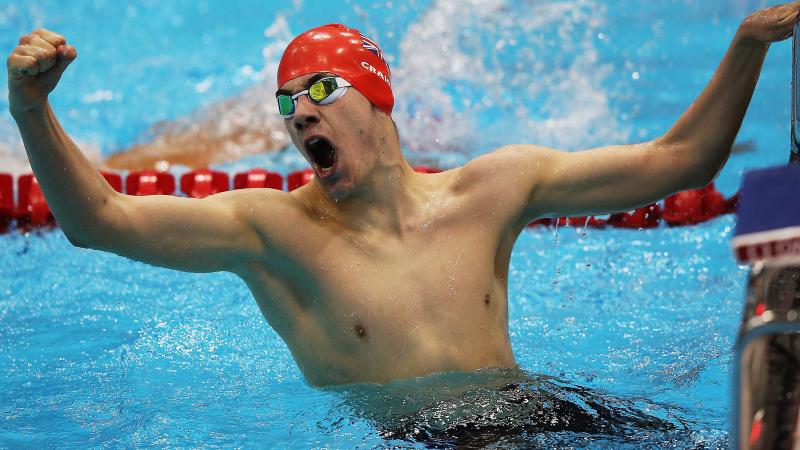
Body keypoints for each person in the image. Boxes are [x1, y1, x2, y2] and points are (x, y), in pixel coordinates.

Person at [7, 3, 800, 387]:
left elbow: (684, 160)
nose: (300, 112)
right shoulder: (270, 232)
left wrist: (748, 42)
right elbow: (98, 222)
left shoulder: (495, 187)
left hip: (544, 416)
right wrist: (31, 109)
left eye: (320, 87)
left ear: (377, 96)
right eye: (287, 104)